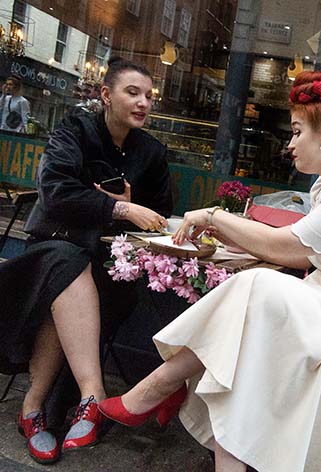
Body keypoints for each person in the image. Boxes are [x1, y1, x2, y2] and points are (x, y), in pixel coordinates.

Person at [99, 69, 321, 472]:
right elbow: (304, 250)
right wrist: (234, 233)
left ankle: (161, 385)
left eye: (297, 132)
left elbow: (287, 249)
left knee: (256, 286)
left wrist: (214, 216)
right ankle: (163, 386)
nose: (290, 144)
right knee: (243, 361)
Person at [0, 57, 172, 464]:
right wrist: (120, 209)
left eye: (149, 96)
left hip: (108, 265)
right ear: (106, 94)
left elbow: (162, 214)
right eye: (132, 93)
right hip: (50, 249)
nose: (143, 102)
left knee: (74, 278)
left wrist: (135, 203)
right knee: (67, 265)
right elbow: (56, 192)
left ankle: (34, 407)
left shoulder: (151, 152)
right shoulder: (73, 132)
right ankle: (91, 395)